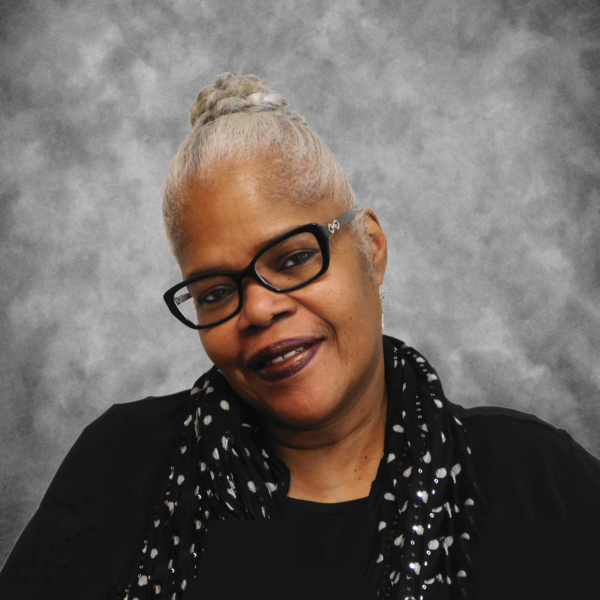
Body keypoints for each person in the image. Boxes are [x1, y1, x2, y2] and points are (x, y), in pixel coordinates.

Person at [1, 73, 600, 600]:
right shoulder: (123, 465)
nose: (257, 309)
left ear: (371, 249)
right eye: (215, 292)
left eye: (290, 260)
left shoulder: (536, 480)